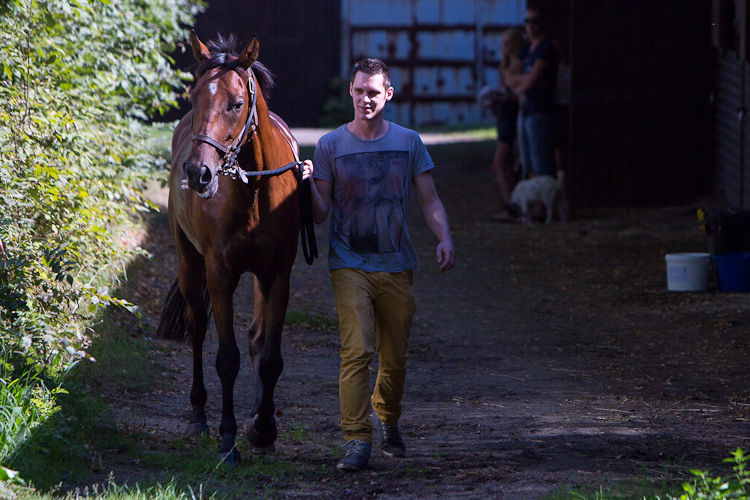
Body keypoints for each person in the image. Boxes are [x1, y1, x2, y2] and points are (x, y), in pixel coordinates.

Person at [299, 58, 455, 472]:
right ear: (349, 91)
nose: (365, 99)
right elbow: (319, 214)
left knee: (395, 357)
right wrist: (306, 184)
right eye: (359, 91)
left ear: (387, 94)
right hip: (349, 263)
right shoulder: (331, 146)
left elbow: (430, 199)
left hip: (397, 263)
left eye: (373, 92)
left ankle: (388, 418)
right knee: (356, 351)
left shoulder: (409, 142)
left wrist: (445, 238)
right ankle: (356, 439)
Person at [503, 5, 559, 180]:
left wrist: (523, 82)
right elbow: (509, 76)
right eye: (527, 21)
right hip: (526, 111)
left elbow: (529, 82)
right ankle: (535, 205)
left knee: (540, 162)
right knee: (528, 164)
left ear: (542, 23)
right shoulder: (527, 49)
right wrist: (525, 80)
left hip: (540, 112)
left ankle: (543, 206)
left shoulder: (546, 47)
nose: (531, 25)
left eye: (534, 21)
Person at [488, 28, 524, 222]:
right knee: (506, 163)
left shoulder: (518, 65)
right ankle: (512, 203)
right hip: (506, 114)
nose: (506, 46)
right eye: (504, 42)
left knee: (500, 162)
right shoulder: (506, 66)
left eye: (510, 42)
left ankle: (512, 204)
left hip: (513, 115)